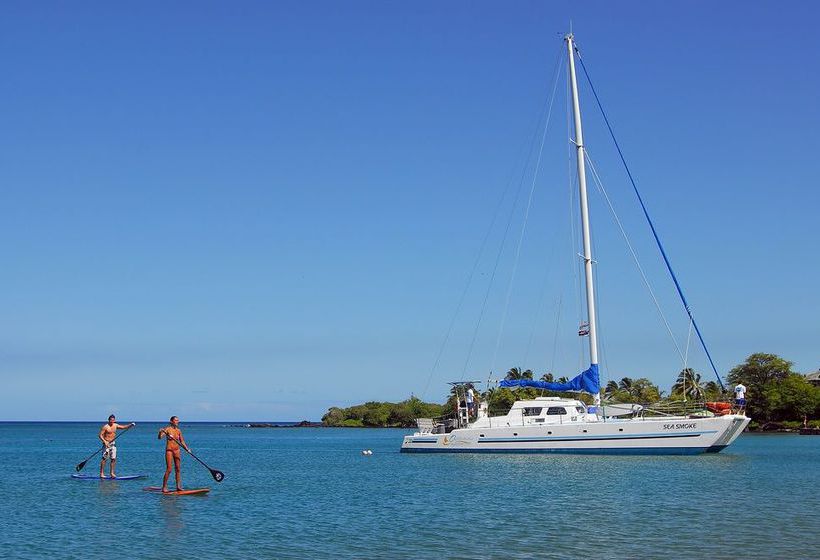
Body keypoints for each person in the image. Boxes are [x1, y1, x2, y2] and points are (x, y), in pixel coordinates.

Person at [158, 416, 190, 493]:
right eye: (176, 420)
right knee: (169, 469)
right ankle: (164, 487)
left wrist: (187, 449)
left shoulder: (178, 431)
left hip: (177, 451)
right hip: (169, 450)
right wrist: (160, 432)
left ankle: (178, 486)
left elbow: (182, 441)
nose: (177, 422)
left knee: (178, 469)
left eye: (178, 420)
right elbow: (159, 437)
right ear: (171, 421)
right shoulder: (167, 429)